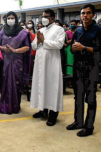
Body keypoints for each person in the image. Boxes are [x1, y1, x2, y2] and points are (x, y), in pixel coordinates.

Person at [66, 4, 101, 137]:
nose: (85, 15)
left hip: (91, 66)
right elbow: (72, 48)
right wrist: (74, 49)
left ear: (93, 15)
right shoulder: (78, 31)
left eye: (88, 13)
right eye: (83, 13)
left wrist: (85, 48)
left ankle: (89, 126)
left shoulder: (98, 30)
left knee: (90, 97)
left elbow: (99, 49)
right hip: (78, 67)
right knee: (78, 96)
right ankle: (78, 121)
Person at [30, 9, 65, 126]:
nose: (43, 18)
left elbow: (59, 44)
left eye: (46, 16)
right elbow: (33, 46)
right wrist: (39, 41)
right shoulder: (41, 30)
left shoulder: (59, 29)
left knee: (52, 87)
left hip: (52, 64)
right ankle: (43, 110)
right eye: (43, 16)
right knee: (41, 85)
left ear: (52, 18)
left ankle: (53, 114)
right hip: (40, 63)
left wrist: (44, 41)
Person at [0, 12, 31, 114]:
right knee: (5, 83)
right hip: (6, 62)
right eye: (9, 18)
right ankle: (4, 107)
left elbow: (27, 47)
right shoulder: (3, 31)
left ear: (16, 20)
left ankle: (15, 107)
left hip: (17, 62)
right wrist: (3, 48)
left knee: (16, 84)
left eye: (12, 18)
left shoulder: (22, 32)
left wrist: (14, 50)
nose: (10, 20)